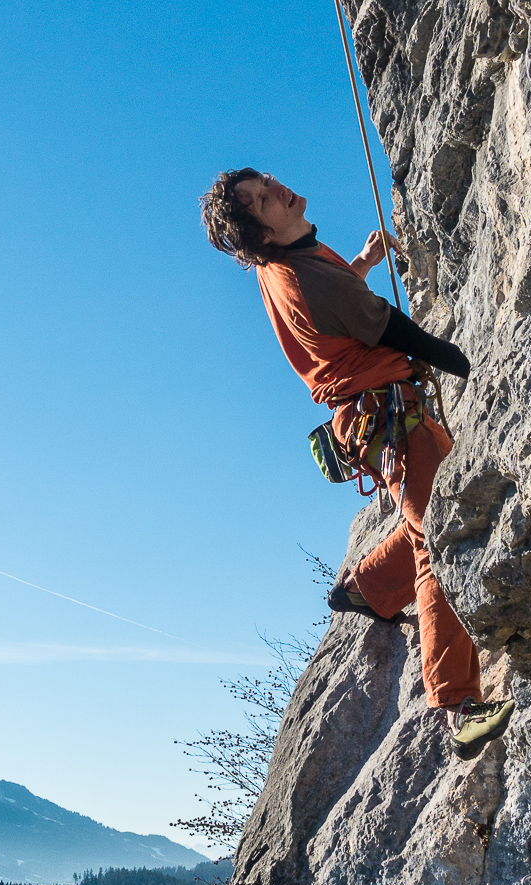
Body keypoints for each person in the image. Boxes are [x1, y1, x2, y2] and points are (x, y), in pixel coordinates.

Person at [199, 167, 514, 761]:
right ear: (262, 234)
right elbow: (387, 325)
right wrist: (458, 359)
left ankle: (370, 588)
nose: (279, 188)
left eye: (267, 182)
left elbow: (340, 306)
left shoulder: (293, 264)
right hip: (391, 417)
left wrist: (362, 266)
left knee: (427, 521)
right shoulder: (300, 277)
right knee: (438, 541)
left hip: (372, 416)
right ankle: (457, 705)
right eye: (264, 199)